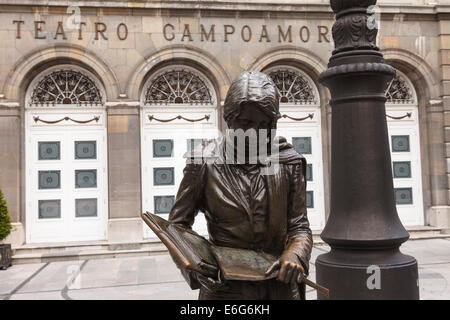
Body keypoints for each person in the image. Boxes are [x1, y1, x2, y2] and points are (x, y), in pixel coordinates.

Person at [168, 71, 313, 300]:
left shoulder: (288, 161)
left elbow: (299, 226)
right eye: (245, 122)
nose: (254, 132)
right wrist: (196, 264)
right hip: (225, 288)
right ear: (229, 119)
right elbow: (177, 226)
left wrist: (295, 254)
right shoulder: (204, 162)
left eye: (264, 124)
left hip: (279, 287)